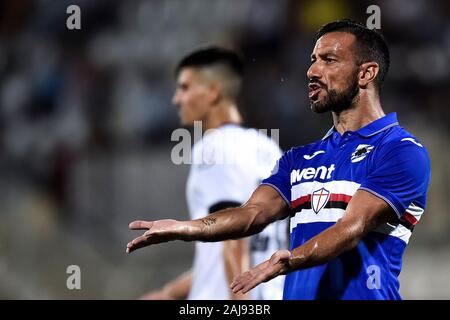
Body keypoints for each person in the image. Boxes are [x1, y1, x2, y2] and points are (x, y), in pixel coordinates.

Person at [127, 20, 431, 300]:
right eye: (313, 60)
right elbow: (251, 214)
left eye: (329, 60)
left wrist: (290, 260)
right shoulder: (298, 158)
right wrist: (187, 227)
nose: (313, 71)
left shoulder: (400, 150)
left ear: (366, 73)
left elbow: (352, 227)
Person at [138, 47, 287, 300]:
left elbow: (233, 241)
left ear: (213, 92)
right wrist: (168, 294)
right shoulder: (270, 148)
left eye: (184, 88)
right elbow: (228, 253)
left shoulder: (213, 148)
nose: (176, 99)